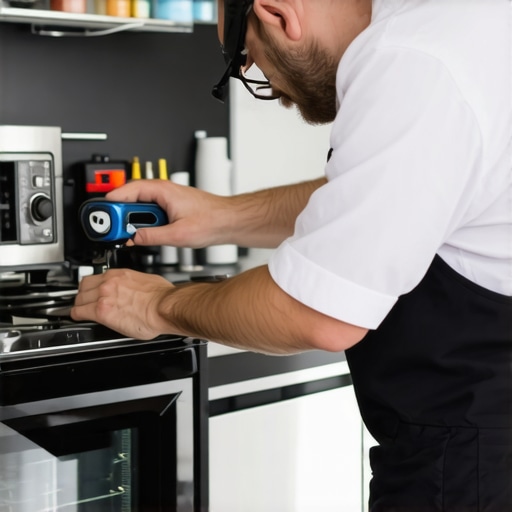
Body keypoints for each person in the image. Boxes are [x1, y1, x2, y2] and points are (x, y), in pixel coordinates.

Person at [72, 0, 512, 510]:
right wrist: (223, 216)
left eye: (248, 60)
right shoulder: (464, 24)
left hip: (470, 465)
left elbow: (317, 315)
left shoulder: (409, 60)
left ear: (278, 13)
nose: (269, 87)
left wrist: (157, 307)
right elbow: (393, 200)